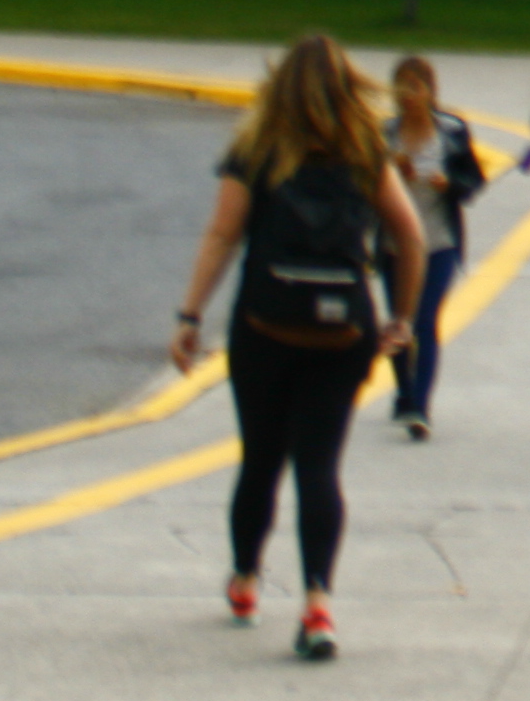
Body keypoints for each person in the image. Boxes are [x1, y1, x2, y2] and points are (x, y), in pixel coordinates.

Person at [168, 35, 423, 662]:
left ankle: (247, 580)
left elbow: (223, 233)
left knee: (261, 458)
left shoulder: (256, 151)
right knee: (319, 465)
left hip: (266, 326)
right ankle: (316, 604)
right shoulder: (367, 152)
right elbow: (410, 237)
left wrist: (190, 314)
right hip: (345, 333)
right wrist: (403, 318)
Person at [384, 55, 485, 442]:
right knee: (399, 321)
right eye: (400, 86)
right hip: (394, 243)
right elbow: (363, 185)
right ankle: (404, 392)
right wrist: (393, 172)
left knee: (424, 321)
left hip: (438, 240)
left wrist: (450, 184)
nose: (407, 95)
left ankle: (419, 406)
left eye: (415, 86)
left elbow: (473, 181)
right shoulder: (385, 135)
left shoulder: (451, 132)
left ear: (431, 92)